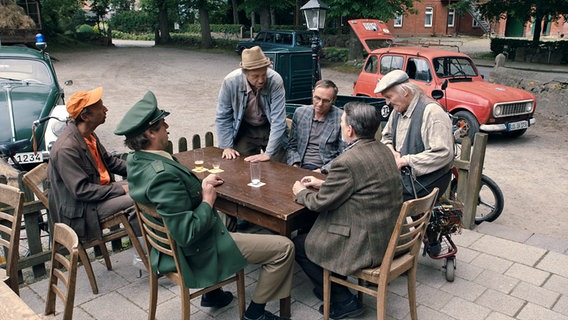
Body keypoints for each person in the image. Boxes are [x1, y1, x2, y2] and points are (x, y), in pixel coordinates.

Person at [115, 91, 295, 320]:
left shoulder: (138, 160)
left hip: (167, 247)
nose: (167, 126)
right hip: (193, 250)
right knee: (284, 248)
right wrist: (208, 200)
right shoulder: (162, 175)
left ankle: (213, 294)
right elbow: (186, 233)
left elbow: (174, 199)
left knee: (228, 219)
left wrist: (202, 185)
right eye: (162, 124)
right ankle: (255, 313)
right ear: (150, 133)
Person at [292, 102, 402, 319]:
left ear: (350, 130)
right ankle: (329, 285)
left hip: (365, 243)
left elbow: (320, 204)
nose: (341, 126)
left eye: (342, 123)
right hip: (384, 234)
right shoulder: (383, 149)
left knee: (299, 244)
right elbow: (363, 184)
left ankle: (343, 300)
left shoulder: (347, 161)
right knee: (313, 230)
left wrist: (299, 191)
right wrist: (323, 183)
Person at [47, 87, 145, 269]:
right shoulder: (66, 148)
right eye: (101, 106)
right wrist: (121, 188)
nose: (106, 109)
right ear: (85, 116)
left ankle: (151, 248)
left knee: (145, 186)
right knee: (136, 198)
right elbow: (81, 191)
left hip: (97, 196)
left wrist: (142, 171)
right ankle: (144, 257)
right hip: (83, 210)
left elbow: (110, 162)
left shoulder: (88, 135)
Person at [375, 69, 454, 201]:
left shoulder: (431, 112)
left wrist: (406, 160)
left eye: (389, 97)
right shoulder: (397, 110)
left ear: (405, 91)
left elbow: (443, 153)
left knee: (380, 196)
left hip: (429, 179)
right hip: (406, 175)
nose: (387, 102)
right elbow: (386, 137)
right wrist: (391, 151)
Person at [216, 46, 288, 163]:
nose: (260, 80)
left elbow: (278, 120)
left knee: (279, 166)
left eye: (264, 75)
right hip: (245, 128)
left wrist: (268, 153)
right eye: (255, 76)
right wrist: (227, 146)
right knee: (240, 163)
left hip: (269, 126)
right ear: (245, 73)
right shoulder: (230, 82)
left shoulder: (275, 80)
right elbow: (223, 116)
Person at [286, 79, 343, 173]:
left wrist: (323, 170)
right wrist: (294, 164)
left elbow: (343, 154)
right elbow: (292, 145)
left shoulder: (341, 118)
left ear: (333, 100)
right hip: (300, 165)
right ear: (312, 94)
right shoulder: (300, 113)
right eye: (317, 98)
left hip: (325, 169)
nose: (320, 104)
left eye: (325, 101)